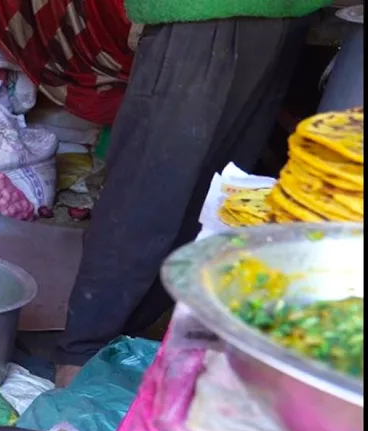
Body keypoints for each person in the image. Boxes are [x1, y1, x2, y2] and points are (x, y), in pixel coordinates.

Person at [53, 3, 321, 387]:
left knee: (218, 195)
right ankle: (80, 358)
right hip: (203, 15)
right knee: (150, 187)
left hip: (282, 11)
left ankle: (129, 345)